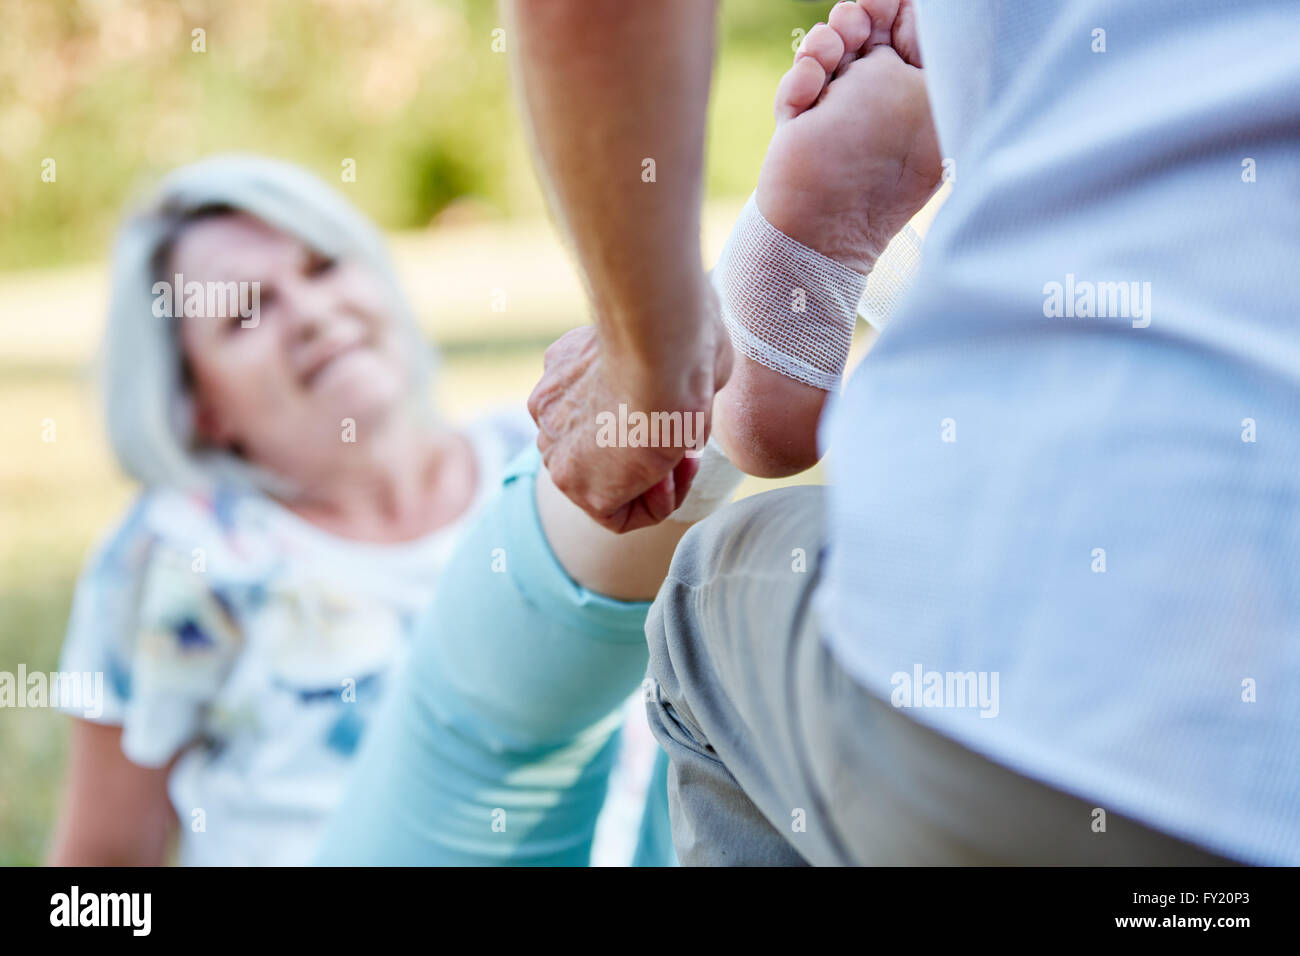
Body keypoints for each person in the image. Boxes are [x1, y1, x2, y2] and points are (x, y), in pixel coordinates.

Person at [511, 0, 1300, 864]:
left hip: (1074, 725)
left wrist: (646, 363)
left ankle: (801, 298)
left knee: (706, 600)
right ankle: (839, 288)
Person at [46, 155, 594, 865]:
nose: (310, 314)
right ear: (201, 408)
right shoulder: (178, 555)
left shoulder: (549, 457)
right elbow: (98, 875)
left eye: (323, 268)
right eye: (246, 314)